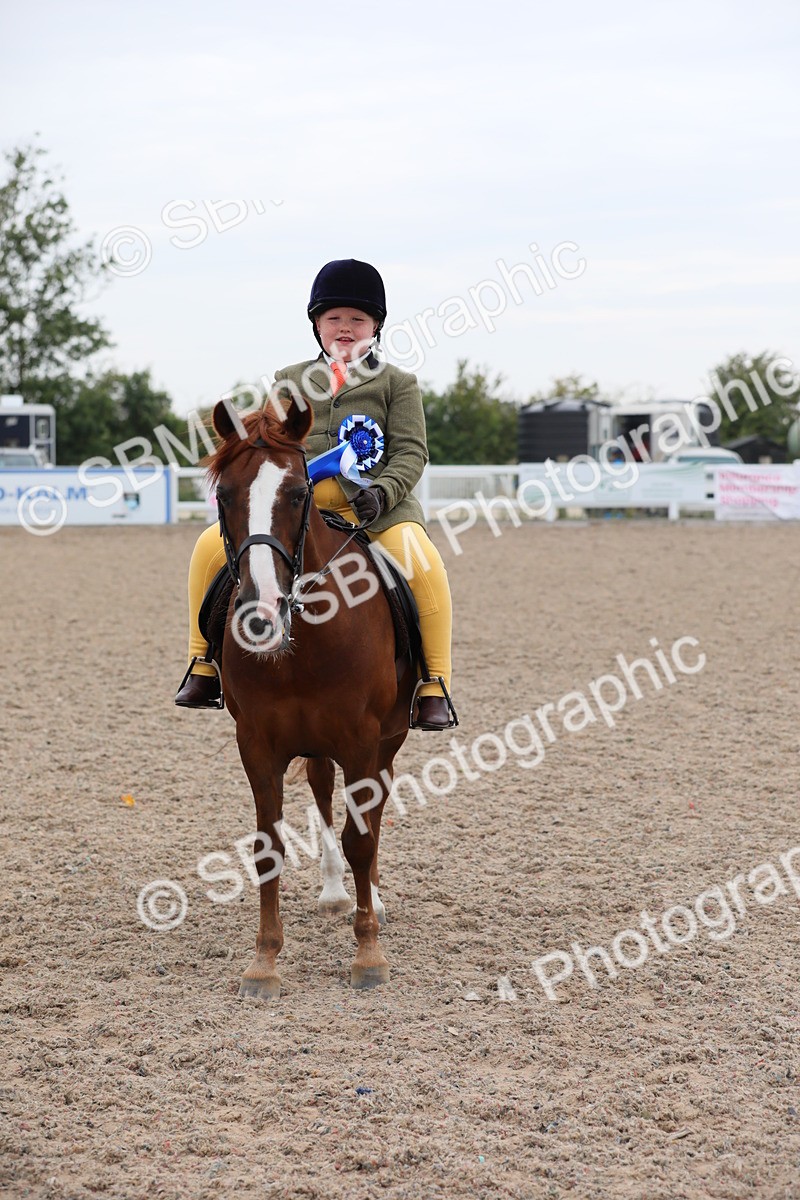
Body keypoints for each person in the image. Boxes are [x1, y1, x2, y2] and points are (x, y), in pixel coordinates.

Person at [175, 258, 455, 730]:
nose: (345, 328)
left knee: (423, 563)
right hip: (298, 508)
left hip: (377, 512)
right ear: (317, 325)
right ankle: (202, 664)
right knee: (206, 549)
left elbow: (411, 453)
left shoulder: (396, 384)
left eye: (357, 320)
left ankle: (435, 684)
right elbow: (269, 443)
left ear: (376, 326)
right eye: (334, 319)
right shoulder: (289, 377)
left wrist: (383, 493)